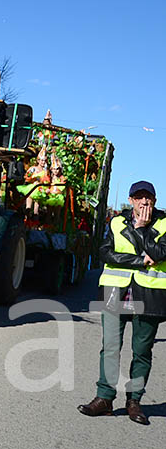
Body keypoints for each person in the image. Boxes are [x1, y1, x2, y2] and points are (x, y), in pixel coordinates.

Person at [78, 181, 166, 425]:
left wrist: (142, 228)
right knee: (110, 347)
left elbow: (160, 254)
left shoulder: (164, 223)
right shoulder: (116, 222)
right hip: (116, 291)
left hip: (149, 295)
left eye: (148, 197)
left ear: (155, 201)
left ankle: (134, 401)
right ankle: (104, 399)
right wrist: (140, 260)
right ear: (131, 200)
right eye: (139, 197)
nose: (144, 202)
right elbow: (105, 253)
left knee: (141, 351)